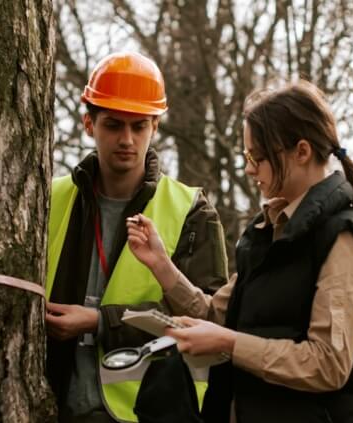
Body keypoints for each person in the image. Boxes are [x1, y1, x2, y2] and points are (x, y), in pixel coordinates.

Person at [125, 81, 353, 422]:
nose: (249, 168)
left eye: (257, 156)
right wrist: (161, 265)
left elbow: (329, 364)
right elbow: (217, 317)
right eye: (247, 157)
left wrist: (229, 344)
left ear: (301, 152)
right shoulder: (267, 233)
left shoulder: (342, 238)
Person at [44, 52, 229, 423]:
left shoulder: (192, 210)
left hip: (150, 412)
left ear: (155, 127)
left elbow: (207, 322)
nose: (126, 139)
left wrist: (99, 321)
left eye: (139, 126)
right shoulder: (48, 198)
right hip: (53, 406)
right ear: (88, 124)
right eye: (113, 125)